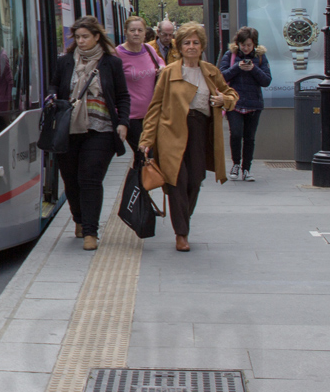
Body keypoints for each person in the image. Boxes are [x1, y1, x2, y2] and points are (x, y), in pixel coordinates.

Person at [139, 22, 237, 252]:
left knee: (195, 179)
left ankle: (183, 217)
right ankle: (181, 233)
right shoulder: (169, 72)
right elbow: (155, 107)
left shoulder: (211, 71)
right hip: (171, 131)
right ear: (179, 46)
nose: (191, 47)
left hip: (199, 131)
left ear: (202, 46)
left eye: (195, 42)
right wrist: (146, 139)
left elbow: (231, 94)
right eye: (186, 43)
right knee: (176, 180)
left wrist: (225, 101)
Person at [52, 16, 130, 251]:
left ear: (97, 37)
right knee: (71, 180)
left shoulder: (111, 63)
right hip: (70, 129)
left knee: (90, 179)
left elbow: (123, 96)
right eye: (78, 37)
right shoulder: (65, 62)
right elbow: (54, 86)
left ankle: (90, 232)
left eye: (85, 37)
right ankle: (79, 219)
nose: (81, 41)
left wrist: (123, 122)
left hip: (101, 128)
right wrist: (52, 96)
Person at [219, 26, 271, 182]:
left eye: (249, 45)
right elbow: (221, 76)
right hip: (234, 102)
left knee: (249, 137)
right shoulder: (231, 55)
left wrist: (253, 69)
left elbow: (266, 81)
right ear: (238, 44)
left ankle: (246, 168)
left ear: (254, 44)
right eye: (243, 45)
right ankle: (235, 164)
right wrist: (237, 67)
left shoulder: (261, 57)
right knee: (235, 133)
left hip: (254, 103)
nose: (246, 48)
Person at [116, 15, 164, 168]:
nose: (136, 33)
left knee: (146, 157)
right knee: (144, 154)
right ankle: (137, 189)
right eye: (132, 30)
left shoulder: (149, 49)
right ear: (126, 32)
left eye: (139, 30)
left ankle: (137, 190)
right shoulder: (117, 54)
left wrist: (162, 69)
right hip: (131, 116)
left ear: (145, 33)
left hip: (151, 114)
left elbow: (162, 64)